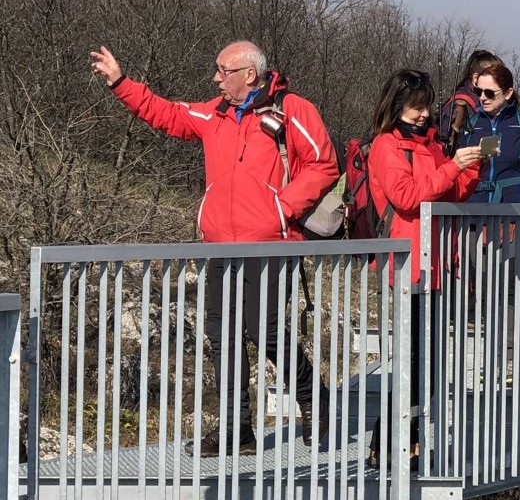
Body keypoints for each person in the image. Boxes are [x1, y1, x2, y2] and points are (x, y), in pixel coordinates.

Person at [89, 41, 339, 456]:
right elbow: (165, 113)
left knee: (266, 332)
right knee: (223, 337)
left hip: (271, 244)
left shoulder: (293, 109)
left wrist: (282, 208)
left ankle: (312, 396)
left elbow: (324, 164)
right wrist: (120, 82)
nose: (216, 78)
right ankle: (237, 429)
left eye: (224, 71)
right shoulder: (214, 113)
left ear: (250, 75)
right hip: (220, 245)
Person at [366, 69, 483, 467]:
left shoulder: (429, 145)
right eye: (415, 107)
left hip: (434, 263)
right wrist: (452, 167)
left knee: (427, 364)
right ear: (396, 106)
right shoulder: (386, 146)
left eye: (426, 106)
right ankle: (390, 443)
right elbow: (407, 197)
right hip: (407, 265)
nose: (423, 113)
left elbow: (450, 193)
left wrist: (472, 166)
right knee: (412, 363)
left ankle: (402, 441)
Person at [459, 63, 520, 204]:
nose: (482, 97)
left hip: (517, 211)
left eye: (489, 93)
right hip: (476, 211)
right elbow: (459, 172)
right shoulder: (471, 124)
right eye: (478, 91)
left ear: (508, 93)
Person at [437, 49, 503, 157]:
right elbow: (445, 146)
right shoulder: (460, 105)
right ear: (476, 78)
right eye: (494, 77)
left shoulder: (489, 102)